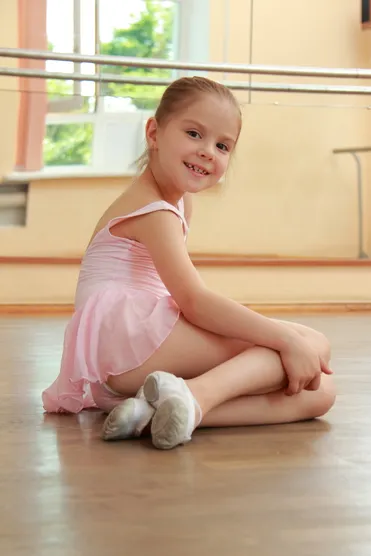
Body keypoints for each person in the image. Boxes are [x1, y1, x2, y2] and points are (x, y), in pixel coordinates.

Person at [42, 76, 336, 451]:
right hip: (127, 339)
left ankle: (157, 411)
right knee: (311, 344)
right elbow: (194, 301)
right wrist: (284, 338)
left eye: (222, 145)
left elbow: (185, 298)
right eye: (194, 134)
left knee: (320, 392)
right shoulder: (154, 211)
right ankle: (195, 394)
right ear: (154, 133)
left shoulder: (180, 202)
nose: (207, 151)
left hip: (125, 357)